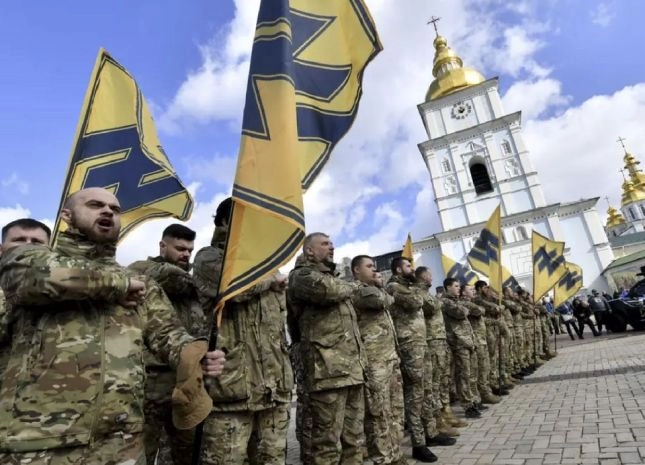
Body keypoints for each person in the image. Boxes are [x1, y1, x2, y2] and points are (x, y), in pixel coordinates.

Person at [0, 187, 225, 464]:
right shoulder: (33, 260)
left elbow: (168, 335)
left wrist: (196, 356)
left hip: (121, 443)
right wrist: (116, 285)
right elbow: (30, 278)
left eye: (115, 209)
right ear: (67, 215)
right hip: (38, 441)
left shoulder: (141, 284)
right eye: (95, 205)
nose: (107, 211)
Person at [193, 198, 294, 465]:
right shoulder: (208, 258)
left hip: (273, 391)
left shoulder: (269, 267)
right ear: (225, 222)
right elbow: (235, 287)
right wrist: (271, 279)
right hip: (231, 394)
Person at [128, 224, 206, 465]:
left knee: (186, 451)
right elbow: (170, 277)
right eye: (180, 248)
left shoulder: (191, 284)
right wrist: (206, 281)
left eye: (190, 250)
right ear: (162, 246)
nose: (186, 254)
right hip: (151, 381)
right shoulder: (142, 269)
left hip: (186, 380)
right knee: (143, 450)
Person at [287, 232, 365, 465]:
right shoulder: (301, 276)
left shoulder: (333, 278)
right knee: (327, 445)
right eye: (324, 244)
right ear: (309, 250)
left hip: (351, 370)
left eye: (331, 243)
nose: (331, 247)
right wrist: (352, 285)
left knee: (354, 440)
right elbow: (329, 291)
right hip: (327, 372)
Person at [351, 256, 407, 465]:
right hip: (374, 362)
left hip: (390, 358)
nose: (374, 270)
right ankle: (383, 459)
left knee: (395, 410)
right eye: (369, 266)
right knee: (378, 415)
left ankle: (396, 455)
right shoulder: (357, 290)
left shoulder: (375, 289)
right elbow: (382, 301)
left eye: (374, 266)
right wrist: (380, 287)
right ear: (356, 270)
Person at [387, 257, 437, 462]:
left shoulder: (409, 287)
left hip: (420, 343)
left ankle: (430, 433)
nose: (413, 268)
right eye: (408, 266)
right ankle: (418, 444)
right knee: (415, 394)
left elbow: (430, 307)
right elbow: (416, 302)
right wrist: (417, 284)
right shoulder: (393, 287)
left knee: (426, 389)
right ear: (399, 269)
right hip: (408, 345)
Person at [0, 219, 52, 379]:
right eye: (19, 240)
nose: (28, 245)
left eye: (36, 242)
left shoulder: (69, 289)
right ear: (1, 250)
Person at [413, 266, 458, 445]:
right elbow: (432, 307)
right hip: (430, 342)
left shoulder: (427, 293)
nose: (431, 277)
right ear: (422, 276)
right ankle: (436, 422)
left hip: (439, 341)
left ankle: (444, 415)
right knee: (432, 385)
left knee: (441, 380)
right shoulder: (418, 293)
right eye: (429, 274)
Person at [441, 278, 480, 419]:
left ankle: (474, 400)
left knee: (471, 373)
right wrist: (465, 308)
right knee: (463, 375)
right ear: (448, 287)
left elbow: (473, 310)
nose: (458, 288)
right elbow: (460, 312)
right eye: (456, 286)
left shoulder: (456, 301)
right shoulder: (445, 301)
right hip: (458, 342)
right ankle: (467, 405)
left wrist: (465, 307)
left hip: (467, 341)